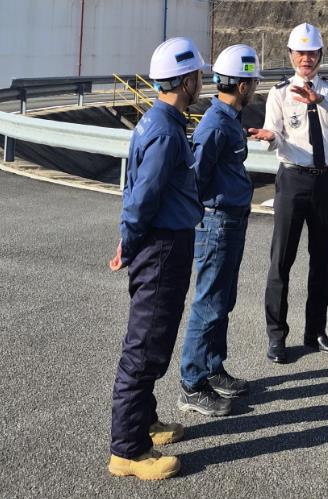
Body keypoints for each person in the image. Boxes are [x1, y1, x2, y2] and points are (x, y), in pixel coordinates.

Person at [107, 37, 205, 480]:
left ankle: (145, 422)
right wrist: (128, 244)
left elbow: (135, 192)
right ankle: (127, 450)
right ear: (184, 82)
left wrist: (129, 241)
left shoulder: (156, 120)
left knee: (151, 341)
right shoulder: (166, 132)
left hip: (161, 242)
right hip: (163, 247)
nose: (201, 81)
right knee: (144, 349)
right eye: (197, 75)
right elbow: (142, 199)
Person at [247, 23, 328, 364]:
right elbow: (274, 132)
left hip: (325, 181)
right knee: (282, 260)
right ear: (291, 55)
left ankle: (316, 331)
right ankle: (276, 336)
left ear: (320, 55)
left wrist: (319, 99)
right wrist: (270, 138)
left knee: (322, 260)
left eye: (311, 53)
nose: (306, 59)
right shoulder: (279, 93)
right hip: (293, 180)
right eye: (300, 53)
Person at [177, 45, 262, 416]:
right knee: (209, 302)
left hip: (231, 220)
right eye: (253, 82)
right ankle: (192, 384)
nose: (255, 88)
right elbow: (197, 178)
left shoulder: (228, 119)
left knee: (222, 300)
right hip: (217, 222)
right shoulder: (215, 124)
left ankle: (213, 368)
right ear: (242, 86)